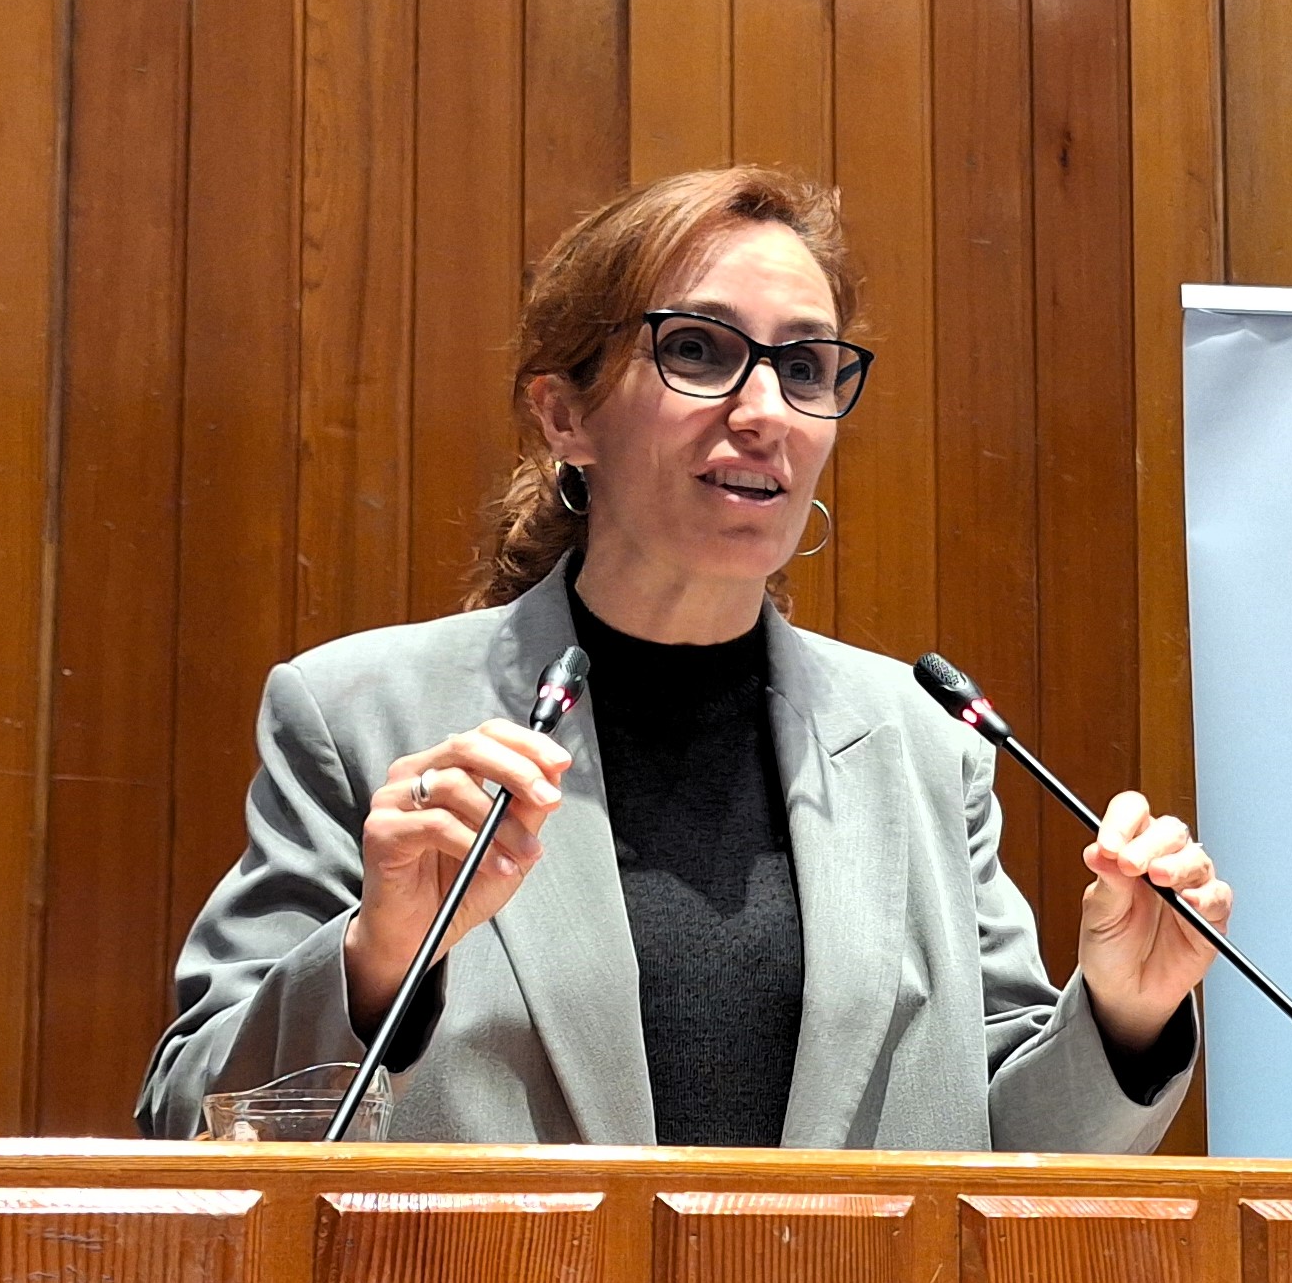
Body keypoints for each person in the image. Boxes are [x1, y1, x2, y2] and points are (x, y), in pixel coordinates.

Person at [134, 164, 1231, 1147]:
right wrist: (379, 959)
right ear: (564, 415)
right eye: (698, 351)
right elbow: (190, 1115)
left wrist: (1123, 1017)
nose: (765, 412)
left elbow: (995, 1147)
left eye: (805, 367)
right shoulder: (362, 714)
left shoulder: (918, 743)